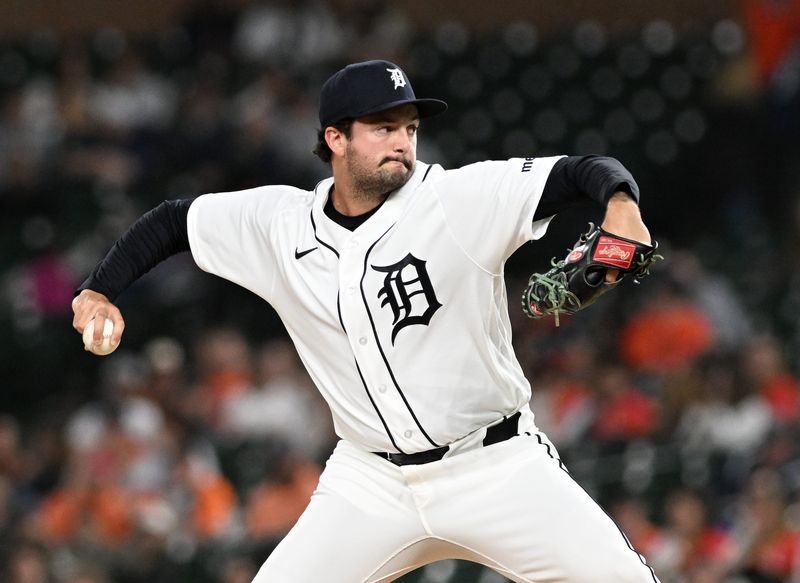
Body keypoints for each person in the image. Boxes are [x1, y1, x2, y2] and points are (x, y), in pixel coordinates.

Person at [73, 59, 660, 582]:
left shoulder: (456, 199)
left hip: (495, 464)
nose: (403, 142)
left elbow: (583, 170)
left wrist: (621, 202)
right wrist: (99, 290)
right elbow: (174, 221)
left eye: (409, 128)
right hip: (370, 483)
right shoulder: (281, 225)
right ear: (335, 138)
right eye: (383, 128)